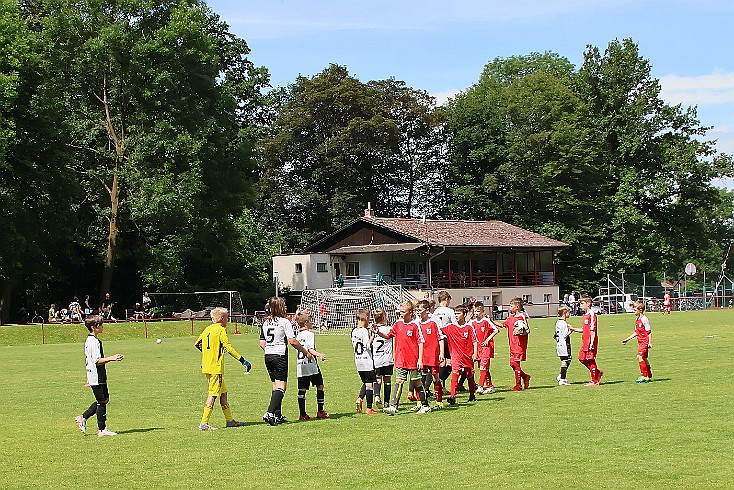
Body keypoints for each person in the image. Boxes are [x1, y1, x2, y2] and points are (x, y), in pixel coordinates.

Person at [194, 307, 251, 431]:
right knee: (213, 395)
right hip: (216, 368)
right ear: (221, 318)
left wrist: (207, 355)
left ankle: (230, 420)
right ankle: (203, 423)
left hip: (207, 366)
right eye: (227, 317)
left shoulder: (207, 329)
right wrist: (242, 360)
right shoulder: (220, 330)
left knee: (223, 393)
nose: (227, 320)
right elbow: (228, 347)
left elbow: (197, 343)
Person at [260, 296, 312, 426]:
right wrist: (305, 352)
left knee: (275, 386)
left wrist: (270, 349)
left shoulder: (265, 322)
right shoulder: (284, 322)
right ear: (280, 307)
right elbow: (292, 341)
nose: (286, 307)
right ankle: (269, 413)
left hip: (268, 355)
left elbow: (262, 343)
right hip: (279, 355)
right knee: (282, 387)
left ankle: (277, 416)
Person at [374, 300, 431, 415]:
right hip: (400, 359)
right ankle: (393, 406)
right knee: (399, 381)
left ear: (410, 312)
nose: (401, 314)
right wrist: (378, 332)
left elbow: (421, 342)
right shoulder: (398, 324)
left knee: (417, 382)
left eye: (403, 312)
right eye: (400, 312)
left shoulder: (415, 325)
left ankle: (425, 406)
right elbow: (388, 335)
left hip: (413, 360)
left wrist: (420, 360)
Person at [74, 315, 124, 437]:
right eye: (100, 325)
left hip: (96, 374)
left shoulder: (91, 340)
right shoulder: (93, 342)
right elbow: (96, 360)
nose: (102, 326)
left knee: (104, 399)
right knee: (102, 401)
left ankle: (83, 418)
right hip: (96, 375)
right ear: (93, 327)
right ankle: (101, 429)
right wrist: (112, 358)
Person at [295, 310, 329, 420]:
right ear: (305, 323)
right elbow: (310, 349)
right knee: (320, 386)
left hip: (301, 366)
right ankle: (320, 411)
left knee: (302, 389)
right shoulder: (310, 334)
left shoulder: (297, 335)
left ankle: (302, 414)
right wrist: (319, 355)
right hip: (311, 365)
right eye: (310, 321)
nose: (312, 323)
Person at [441, 304, 478, 405]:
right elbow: (438, 332)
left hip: (467, 356)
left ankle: (472, 395)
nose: (456, 315)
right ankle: (453, 396)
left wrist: (475, 353)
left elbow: (475, 341)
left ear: (464, 314)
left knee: (469, 375)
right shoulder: (450, 327)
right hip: (456, 356)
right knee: (455, 374)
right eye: (455, 313)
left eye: (458, 313)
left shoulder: (469, 328)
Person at [494, 297, 531, 391]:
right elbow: (503, 325)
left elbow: (527, 330)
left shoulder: (521, 317)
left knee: (515, 363)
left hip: (519, 344)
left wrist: (520, 331)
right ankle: (525, 376)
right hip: (512, 344)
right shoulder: (511, 318)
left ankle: (518, 385)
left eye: (511, 306)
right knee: (512, 363)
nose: (510, 308)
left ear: (517, 307)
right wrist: (490, 321)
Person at [416, 299, 445, 409]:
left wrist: (441, 353)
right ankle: (420, 402)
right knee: (419, 379)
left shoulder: (433, 323)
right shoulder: (416, 324)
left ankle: (439, 402)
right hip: (421, 356)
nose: (418, 312)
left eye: (420, 310)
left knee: (435, 378)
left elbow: (440, 338)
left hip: (432, 355)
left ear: (427, 310)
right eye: (417, 310)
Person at [352, 308, 378, 414]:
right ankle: (369, 408)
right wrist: (373, 335)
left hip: (358, 360)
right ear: (366, 318)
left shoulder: (354, 331)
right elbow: (367, 345)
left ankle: (360, 398)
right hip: (366, 360)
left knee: (366, 382)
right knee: (369, 384)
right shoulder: (363, 331)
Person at [432, 291, 457, 393]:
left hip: (436, 339)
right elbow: (455, 325)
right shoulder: (450, 311)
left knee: (441, 362)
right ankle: (441, 380)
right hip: (447, 338)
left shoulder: (435, 312)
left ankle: (440, 385)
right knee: (452, 362)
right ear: (447, 299)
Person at [622, 301, 654, 382]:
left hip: (644, 342)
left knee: (639, 357)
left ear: (640, 310)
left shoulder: (644, 319)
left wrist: (650, 342)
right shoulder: (637, 320)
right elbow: (636, 332)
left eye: (635, 310)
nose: (633, 311)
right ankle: (649, 375)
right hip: (640, 342)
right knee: (644, 358)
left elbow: (649, 331)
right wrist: (627, 339)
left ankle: (644, 376)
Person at [471, 301, 498, 394]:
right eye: (475, 311)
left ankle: (480, 386)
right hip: (477, 348)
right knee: (484, 368)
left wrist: (487, 339)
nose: (476, 313)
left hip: (486, 348)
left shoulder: (486, 321)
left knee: (483, 367)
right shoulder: (472, 322)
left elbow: (496, 330)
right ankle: (490, 386)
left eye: (478, 311)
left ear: (482, 311)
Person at [370, 308, 393, 409]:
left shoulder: (372, 331)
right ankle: (387, 402)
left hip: (377, 359)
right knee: (387, 380)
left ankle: (377, 396)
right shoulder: (388, 329)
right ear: (384, 317)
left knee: (378, 379)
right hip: (387, 358)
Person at [578, 295, 603, 386]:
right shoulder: (585, 315)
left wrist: (592, 342)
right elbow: (584, 329)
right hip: (585, 340)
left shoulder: (592, 314)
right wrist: (573, 329)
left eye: (582, 303)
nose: (581, 305)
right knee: (581, 358)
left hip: (590, 341)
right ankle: (597, 373)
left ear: (588, 304)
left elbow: (593, 330)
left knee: (590, 359)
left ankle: (594, 380)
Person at [554, 305, 574, 385]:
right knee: (565, 360)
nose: (570, 314)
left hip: (559, 344)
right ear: (565, 312)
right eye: (569, 312)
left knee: (567, 359)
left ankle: (561, 375)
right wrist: (571, 330)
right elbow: (565, 335)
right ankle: (562, 379)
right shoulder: (564, 324)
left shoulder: (558, 322)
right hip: (564, 344)